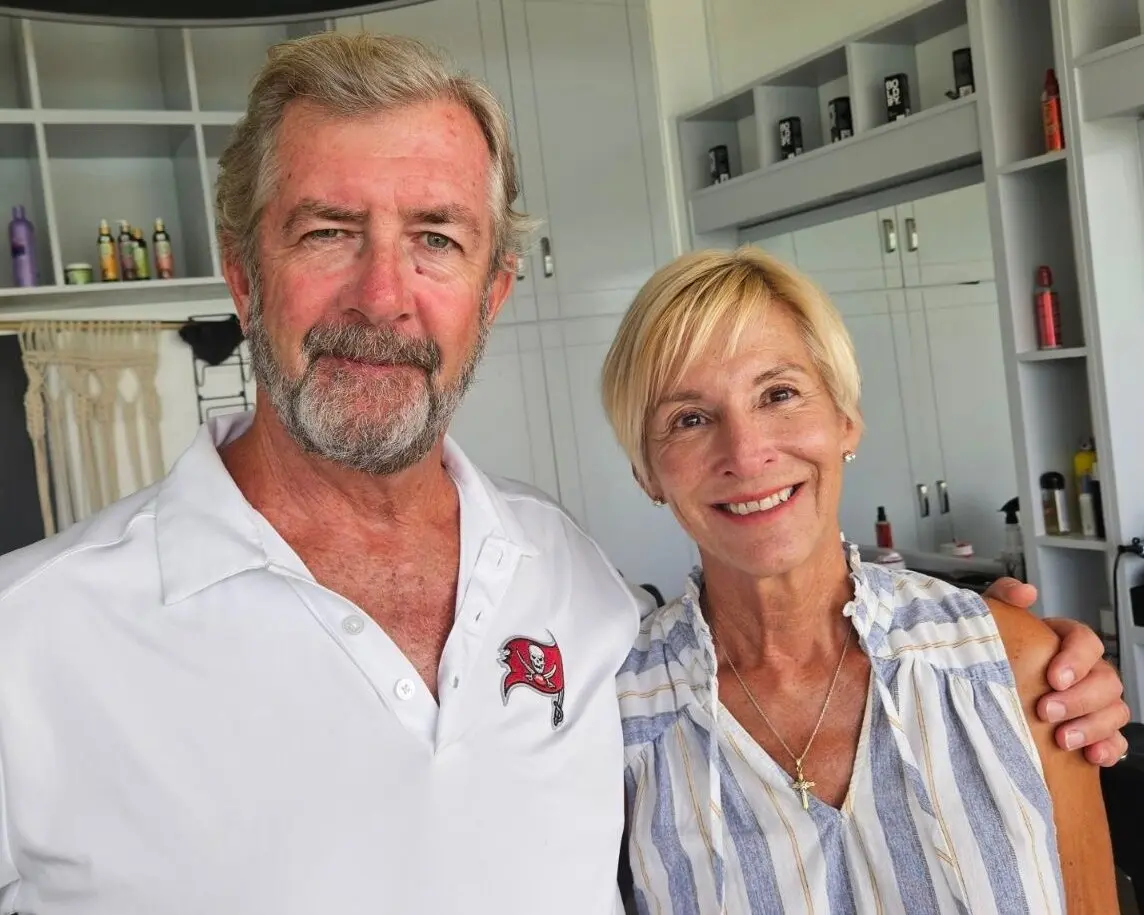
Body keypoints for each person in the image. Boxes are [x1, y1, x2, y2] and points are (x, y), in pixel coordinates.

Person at [0, 32, 1126, 915]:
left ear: (491, 294)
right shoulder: (32, 643)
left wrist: (1035, 657)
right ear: (245, 279)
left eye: (436, 237)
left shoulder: (575, 597)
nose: (383, 298)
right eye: (328, 232)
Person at [602, 247, 1120, 913]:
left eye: (779, 394)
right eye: (690, 418)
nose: (747, 452)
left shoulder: (1016, 666)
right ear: (647, 472)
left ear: (845, 419)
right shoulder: (617, 722)